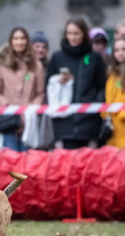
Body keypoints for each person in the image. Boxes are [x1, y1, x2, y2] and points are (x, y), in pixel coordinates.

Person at [46, 18, 107, 149]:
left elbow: (102, 85)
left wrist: (95, 107)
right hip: (63, 122)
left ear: (84, 34)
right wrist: (58, 81)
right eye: (69, 33)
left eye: (76, 33)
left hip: (89, 122)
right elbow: (48, 84)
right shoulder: (57, 57)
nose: (72, 37)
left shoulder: (94, 57)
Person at [0, 27, 45, 152]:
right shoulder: (1, 65)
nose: (19, 42)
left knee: (28, 161)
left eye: (22, 38)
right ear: (11, 41)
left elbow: (40, 92)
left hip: (29, 122)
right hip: (9, 120)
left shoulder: (36, 65)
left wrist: (31, 109)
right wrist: (8, 105)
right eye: (16, 39)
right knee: (10, 160)